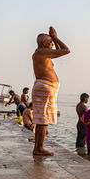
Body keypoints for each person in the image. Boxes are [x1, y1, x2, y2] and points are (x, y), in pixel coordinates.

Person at [32, 26, 70, 156]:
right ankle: (39, 148)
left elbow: (59, 52)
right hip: (45, 87)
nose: (52, 44)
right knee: (43, 120)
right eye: (50, 42)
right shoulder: (41, 52)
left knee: (41, 120)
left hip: (45, 87)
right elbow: (66, 50)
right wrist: (55, 37)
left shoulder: (41, 53)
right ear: (43, 43)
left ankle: (38, 148)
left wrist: (54, 39)